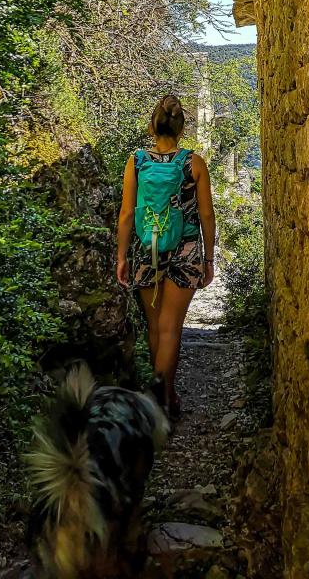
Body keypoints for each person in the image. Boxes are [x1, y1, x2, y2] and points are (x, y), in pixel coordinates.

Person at [116, 94, 216, 420]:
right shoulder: (193, 163)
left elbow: (127, 213)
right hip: (186, 250)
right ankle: (164, 400)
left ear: (152, 125)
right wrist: (209, 259)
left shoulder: (138, 161)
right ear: (181, 127)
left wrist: (121, 257)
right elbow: (207, 216)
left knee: (155, 326)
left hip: (147, 249)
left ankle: (161, 399)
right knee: (172, 328)